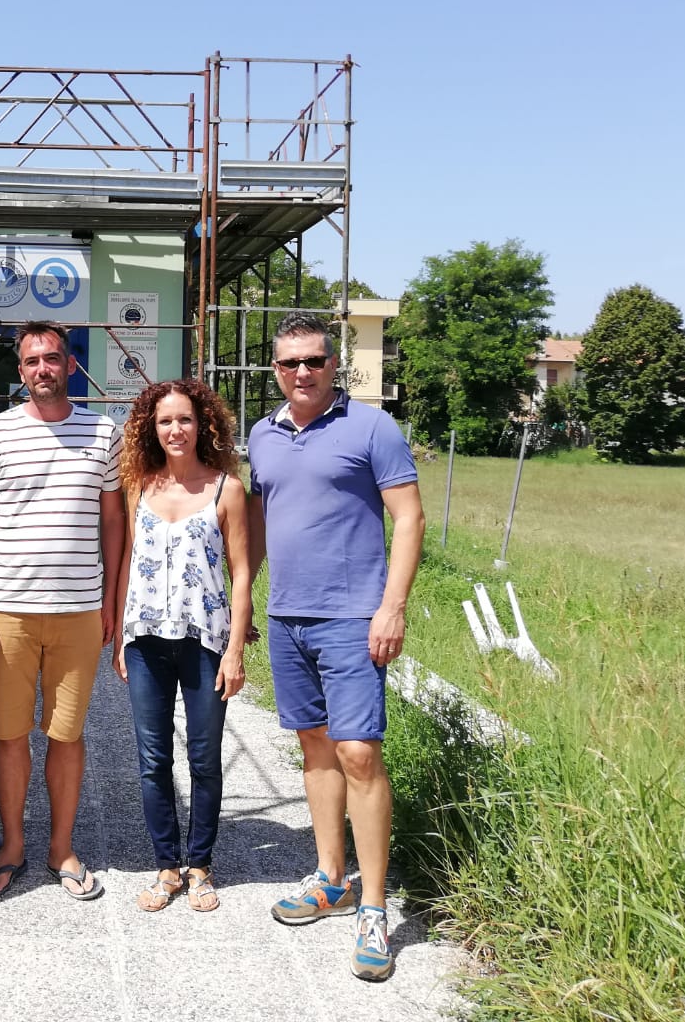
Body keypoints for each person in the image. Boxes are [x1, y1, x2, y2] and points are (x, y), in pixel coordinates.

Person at [247, 313, 423, 982]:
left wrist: (391, 607)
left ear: (333, 365)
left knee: (357, 753)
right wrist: (246, 604)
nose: (301, 373)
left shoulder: (372, 428)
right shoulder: (262, 436)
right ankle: (330, 877)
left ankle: (373, 908)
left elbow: (408, 516)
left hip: (353, 617)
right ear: (274, 367)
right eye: (289, 362)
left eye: (313, 361)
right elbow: (259, 526)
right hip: (288, 616)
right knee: (314, 748)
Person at [0, 321, 125, 902]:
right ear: (20, 371)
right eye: (31, 362)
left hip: (79, 611)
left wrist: (111, 604)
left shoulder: (105, 434)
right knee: (8, 736)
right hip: (9, 612)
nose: (42, 370)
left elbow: (113, 525)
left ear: (71, 365)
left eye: (52, 359)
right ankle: (12, 845)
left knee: (67, 735)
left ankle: (61, 847)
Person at [112, 379, 252, 913]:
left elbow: (241, 576)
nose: (176, 429)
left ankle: (200, 865)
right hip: (146, 640)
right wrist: (122, 635)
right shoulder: (139, 486)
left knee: (203, 757)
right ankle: (167, 867)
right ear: (152, 427)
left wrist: (236, 648)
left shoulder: (226, 490)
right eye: (165, 420)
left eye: (185, 420)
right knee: (152, 759)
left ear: (204, 425)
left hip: (205, 642)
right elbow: (125, 561)